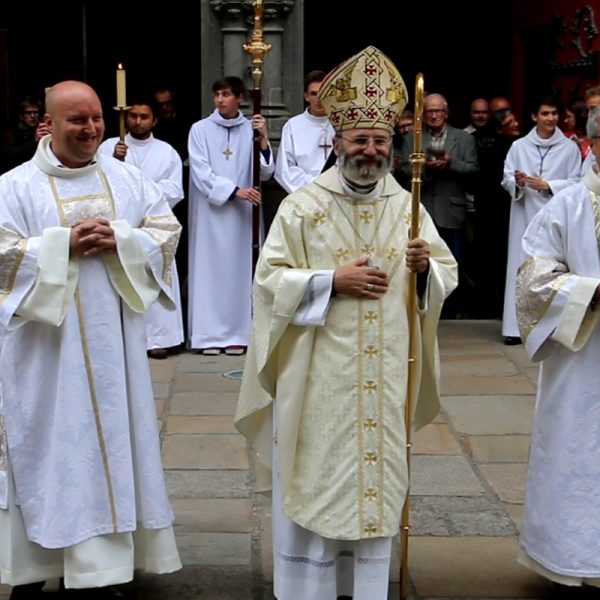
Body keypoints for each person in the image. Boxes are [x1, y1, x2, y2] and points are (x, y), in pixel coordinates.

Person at [235, 46, 457, 600]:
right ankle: (308, 588)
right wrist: (331, 281)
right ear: (336, 143)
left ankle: (365, 588)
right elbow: (268, 281)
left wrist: (425, 272)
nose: (370, 151)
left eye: (380, 141)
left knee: (376, 475)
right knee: (319, 471)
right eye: (359, 140)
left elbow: (443, 272)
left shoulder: (407, 205)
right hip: (320, 376)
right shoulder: (302, 206)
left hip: (386, 375)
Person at [0, 81, 182, 598]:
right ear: (50, 123)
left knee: (113, 447)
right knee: (47, 450)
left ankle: (102, 572)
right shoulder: (14, 186)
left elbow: (165, 232)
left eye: (97, 118)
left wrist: (122, 239)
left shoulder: (127, 179)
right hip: (44, 358)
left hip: (113, 353)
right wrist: (60, 246)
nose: (91, 129)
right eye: (78, 120)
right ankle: (37, 565)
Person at [514, 104, 600, 597]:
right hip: (581, 355)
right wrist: (590, 293)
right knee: (577, 447)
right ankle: (573, 559)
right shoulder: (567, 206)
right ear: (594, 145)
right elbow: (532, 278)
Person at [187, 75, 274, 355]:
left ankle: (239, 333)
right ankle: (209, 335)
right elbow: (200, 171)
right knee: (210, 271)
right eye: (217, 95)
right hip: (212, 214)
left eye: (226, 95)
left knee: (240, 271)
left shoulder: (250, 129)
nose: (220, 100)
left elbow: (266, 172)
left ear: (240, 98)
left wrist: (263, 139)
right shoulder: (200, 129)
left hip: (242, 217)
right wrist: (235, 191)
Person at [98, 97, 185, 359]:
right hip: (120, 225)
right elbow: (97, 181)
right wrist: (115, 161)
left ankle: (158, 338)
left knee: (152, 277)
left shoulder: (166, 152)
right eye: (132, 116)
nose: (137, 122)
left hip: (152, 227)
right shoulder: (109, 147)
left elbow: (174, 190)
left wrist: (138, 192)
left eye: (144, 117)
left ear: (154, 120)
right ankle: (121, 337)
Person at [501, 95, 581, 345]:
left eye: (554, 114)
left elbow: (577, 182)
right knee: (520, 267)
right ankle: (515, 328)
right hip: (524, 214)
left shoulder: (569, 148)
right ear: (534, 117)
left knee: (552, 270)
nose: (550, 118)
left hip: (555, 217)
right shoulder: (519, 147)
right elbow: (506, 178)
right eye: (545, 113)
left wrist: (548, 185)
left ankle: (550, 328)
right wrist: (518, 182)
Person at [274, 70, 335, 194]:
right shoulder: (293, 125)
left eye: (323, 93)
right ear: (306, 96)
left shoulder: (341, 125)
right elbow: (285, 168)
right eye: (314, 94)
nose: (319, 99)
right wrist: (315, 186)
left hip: (337, 191)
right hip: (305, 194)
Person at [0, 95, 50, 174]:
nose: (32, 116)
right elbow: (8, 157)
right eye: (28, 113)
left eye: (35, 112)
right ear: (21, 116)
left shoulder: (45, 130)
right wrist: (34, 141)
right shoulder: (13, 135)